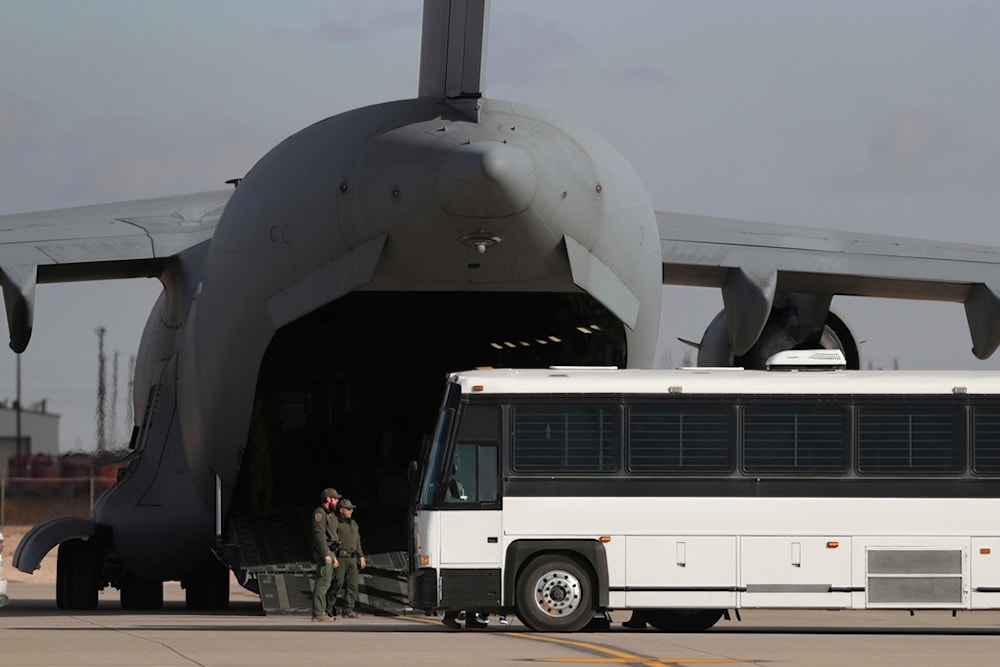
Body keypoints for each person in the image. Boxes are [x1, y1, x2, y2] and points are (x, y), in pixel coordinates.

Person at [310, 488, 341, 622]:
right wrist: (325, 554)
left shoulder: (330, 514)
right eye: (335, 499)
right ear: (328, 499)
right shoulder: (320, 513)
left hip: (331, 550)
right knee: (323, 582)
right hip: (326, 551)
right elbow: (319, 534)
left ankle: (322, 611)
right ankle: (318, 613)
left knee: (327, 582)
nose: (337, 501)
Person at [332, 498, 366, 618]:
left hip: (352, 557)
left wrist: (361, 555)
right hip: (341, 556)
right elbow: (331, 540)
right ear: (341, 510)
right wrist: (333, 556)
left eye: (351, 509)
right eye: (348, 509)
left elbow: (357, 541)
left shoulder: (353, 523)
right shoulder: (335, 523)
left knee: (353, 584)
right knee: (338, 582)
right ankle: (328, 607)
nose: (351, 511)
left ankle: (348, 610)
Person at [245, 397, 274, 517]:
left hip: (263, 454)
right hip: (256, 455)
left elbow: (263, 436)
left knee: (268, 480)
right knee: (255, 483)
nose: (260, 406)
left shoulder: (261, 419)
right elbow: (253, 437)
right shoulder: (250, 420)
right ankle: (255, 509)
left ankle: (266, 507)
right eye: (258, 404)